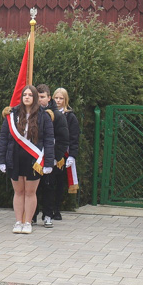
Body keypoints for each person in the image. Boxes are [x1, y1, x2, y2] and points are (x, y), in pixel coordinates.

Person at [0, 85, 55, 234]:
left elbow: (48, 140)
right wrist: (1, 160)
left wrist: (48, 162)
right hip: (15, 157)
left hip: (34, 159)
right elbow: (4, 138)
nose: (27, 97)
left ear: (35, 97)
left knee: (30, 192)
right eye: (24, 95)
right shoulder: (12, 115)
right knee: (19, 191)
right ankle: (18, 221)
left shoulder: (44, 116)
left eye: (30, 95)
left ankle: (28, 222)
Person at [33, 84, 69, 227]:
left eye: (42, 97)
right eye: (38, 97)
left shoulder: (58, 116)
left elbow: (63, 139)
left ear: (49, 97)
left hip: (49, 158)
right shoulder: (31, 114)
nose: (40, 100)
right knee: (33, 188)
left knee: (48, 187)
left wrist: (55, 158)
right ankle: (32, 215)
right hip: (34, 157)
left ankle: (48, 214)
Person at [53, 87, 79, 219]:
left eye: (61, 98)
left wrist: (72, 155)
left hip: (63, 155)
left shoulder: (70, 116)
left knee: (59, 183)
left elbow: (74, 138)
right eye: (56, 98)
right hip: (49, 153)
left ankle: (56, 209)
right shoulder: (48, 113)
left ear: (65, 100)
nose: (58, 101)